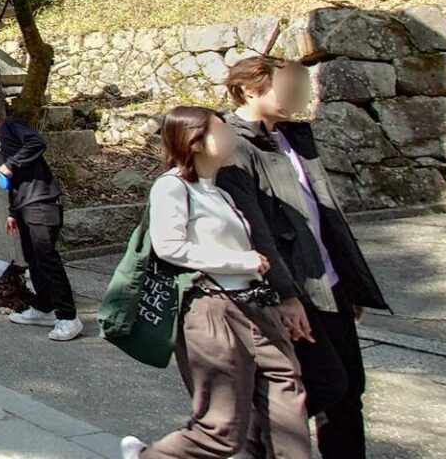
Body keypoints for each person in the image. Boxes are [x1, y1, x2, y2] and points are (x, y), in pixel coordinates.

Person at [216, 55, 386, 459]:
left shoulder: (293, 135)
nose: (297, 96)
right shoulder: (232, 144)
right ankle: (231, 444)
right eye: (286, 87)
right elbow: (255, 230)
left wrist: (349, 280)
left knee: (349, 392)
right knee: (325, 385)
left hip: (330, 283)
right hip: (293, 288)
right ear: (249, 89)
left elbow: (325, 215)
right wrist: (285, 295)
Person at [120, 106, 311, 459]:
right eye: (221, 133)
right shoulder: (172, 188)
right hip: (211, 310)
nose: (231, 139)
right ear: (195, 142)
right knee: (221, 428)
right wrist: (242, 260)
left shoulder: (220, 193)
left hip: (256, 306)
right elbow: (169, 247)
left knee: (288, 403)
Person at [0, 99, 81, 340]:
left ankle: (68, 317)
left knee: (47, 260)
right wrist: (13, 212)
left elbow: (37, 142)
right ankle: (44, 308)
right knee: (33, 258)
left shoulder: (11, 125)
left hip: (42, 203)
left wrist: (10, 165)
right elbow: (14, 182)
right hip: (25, 205)